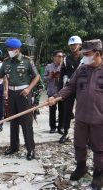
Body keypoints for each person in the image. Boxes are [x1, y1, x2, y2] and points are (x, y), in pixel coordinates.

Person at [48, 39, 103, 189]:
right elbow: (70, 86)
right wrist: (56, 96)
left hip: (100, 118)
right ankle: (81, 167)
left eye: (87, 54)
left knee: (99, 148)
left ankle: (99, 175)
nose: (84, 57)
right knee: (79, 144)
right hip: (81, 116)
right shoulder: (82, 69)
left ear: (97, 54)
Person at [0, 38, 40, 160]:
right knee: (13, 121)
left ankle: (30, 149)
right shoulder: (6, 62)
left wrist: (29, 89)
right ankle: (14, 146)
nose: (9, 51)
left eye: (11, 49)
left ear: (18, 50)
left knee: (26, 123)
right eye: (8, 49)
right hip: (12, 94)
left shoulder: (27, 61)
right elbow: (0, 75)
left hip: (23, 93)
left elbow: (36, 77)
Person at [58, 35, 83, 144]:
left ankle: (84, 134)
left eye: (75, 44)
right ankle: (66, 132)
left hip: (82, 87)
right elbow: (61, 76)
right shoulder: (65, 59)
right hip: (69, 88)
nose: (73, 46)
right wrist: (60, 92)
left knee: (82, 110)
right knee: (67, 110)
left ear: (80, 45)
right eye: (71, 45)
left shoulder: (85, 58)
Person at [43, 50, 64, 134]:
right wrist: (49, 76)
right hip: (52, 91)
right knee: (52, 110)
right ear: (54, 57)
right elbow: (43, 79)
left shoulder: (64, 66)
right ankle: (52, 127)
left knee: (62, 110)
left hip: (62, 92)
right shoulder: (49, 67)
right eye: (59, 56)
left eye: (62, 56)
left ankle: (60, 127)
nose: (61, 58)